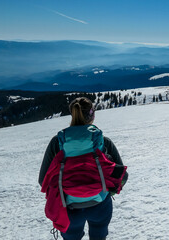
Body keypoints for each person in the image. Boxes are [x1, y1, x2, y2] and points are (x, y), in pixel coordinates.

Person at [39, 97, 128, 240]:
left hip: (68, 208)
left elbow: (43, 179)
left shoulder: (58, 142)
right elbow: (122, 176)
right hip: (100, 203)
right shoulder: (102, 141)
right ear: (92, 115)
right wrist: (107, 190)